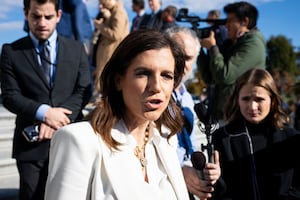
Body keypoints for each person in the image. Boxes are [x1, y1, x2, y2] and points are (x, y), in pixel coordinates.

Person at [45, 29, 190, 199]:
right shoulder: (78, 140)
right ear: (118, 80)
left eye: (166, 76)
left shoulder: (166, 141)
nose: (157, 86)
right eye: (143, 73)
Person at [0, 0, 92, 199]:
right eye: (36, 16)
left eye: (48, 17)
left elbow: (84, 89)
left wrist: (57, 118)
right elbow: (9, 96)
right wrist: (44, 113)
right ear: (26, 14)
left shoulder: (76, 49)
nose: (42, 22)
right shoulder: (11, 51)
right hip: (30, 146)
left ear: (58, 15)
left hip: (70, 141)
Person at [212, 68, 300, 200]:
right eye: (246, 99)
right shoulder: (223, 138)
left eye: (259, 99)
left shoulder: (291, 138)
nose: (252, 106)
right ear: (237, 99)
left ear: (272, 100)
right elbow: (218, 192)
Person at [165, 26, 221, 200]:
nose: (183, 63)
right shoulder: (153, 94)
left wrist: (206, 169)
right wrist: (180, 169)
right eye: (177, 55)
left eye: (188, 58)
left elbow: (192, 144)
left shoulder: (187, 98)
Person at [197, 1, 266, 122]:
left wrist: (213, 48)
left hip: (240, 117)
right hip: (226, 114)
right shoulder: (233, 44)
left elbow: (224, 75)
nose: (226, 25)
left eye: (230, 21)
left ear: (244, 21)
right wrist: (199, 49)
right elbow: (210, 78)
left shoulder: (253, 44)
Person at [93, 0, 129, 95]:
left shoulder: (119, 12)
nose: (101, 6)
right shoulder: (113, 12)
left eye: (103, 3)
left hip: (111, 52)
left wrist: (101, 26)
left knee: (108, 81)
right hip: (107, 52)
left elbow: (116, 34)